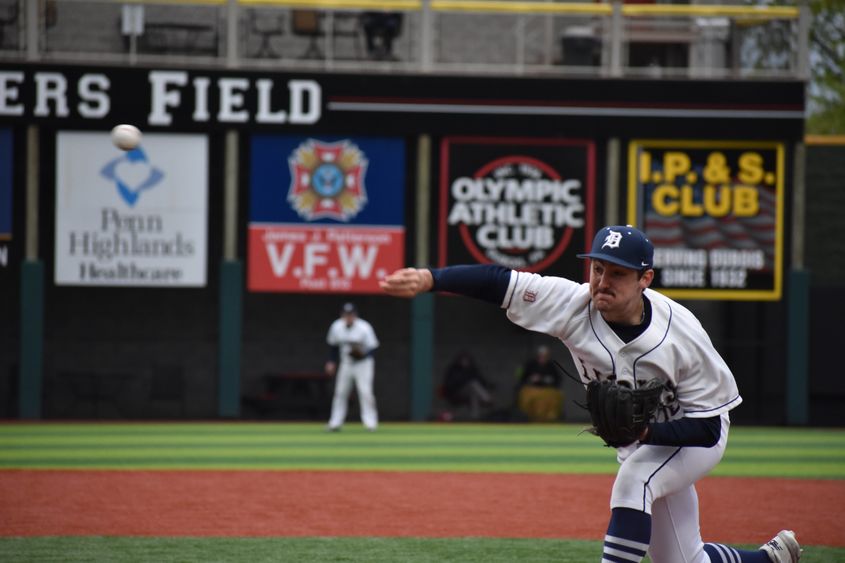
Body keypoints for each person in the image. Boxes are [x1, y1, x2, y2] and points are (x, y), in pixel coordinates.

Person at [379, 225, 800, 563]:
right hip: (644, 439)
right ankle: (771, 559)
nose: (602, 281)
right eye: (597, 268)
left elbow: (709, 429)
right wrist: (430, 278)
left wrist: (646, 434)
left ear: (644, 279)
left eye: (617, 273)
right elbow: (498, 281)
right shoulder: (572, 303)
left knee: (634, 480)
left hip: (691, 434)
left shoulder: (681, 334)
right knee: (683, 559)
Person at [324, 302, 380, 432]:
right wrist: (331, 362)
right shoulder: (336, 326)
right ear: (342, 315)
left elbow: (373, 347)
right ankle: (335, 423)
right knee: (340, 392)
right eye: (346, 314)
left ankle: (370, 423)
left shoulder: (364, 327)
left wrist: (362, 354)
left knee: (365, 392)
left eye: (351, 314)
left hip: (363, 364)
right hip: (346, 363)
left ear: (355, 315)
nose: (349, 317)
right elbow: (333, 346)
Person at [516, 345, 564, 422]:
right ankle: (529, 419)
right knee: (526, 395)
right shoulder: (530, 364)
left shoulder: (551, 366)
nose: (543, 358)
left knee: (554, 396)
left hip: (547, 390)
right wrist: (531, 379)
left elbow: (558, 379)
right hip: (531, 389)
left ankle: (548, 421)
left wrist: (548, 380)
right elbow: (521, 377)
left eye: (545, 356)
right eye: (541, 356)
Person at [441, 350, 493, 420]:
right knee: (472, 384)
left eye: (467, 360)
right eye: (463, 360)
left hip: (469, 393)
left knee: (473, 394)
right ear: (458, 360)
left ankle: (474, 418)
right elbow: (449, 384)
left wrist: (489, 385)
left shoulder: (472, 369)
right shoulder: (453, 369)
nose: (465, 362)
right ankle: (487, 398)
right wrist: (463, 380)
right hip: (456, 393)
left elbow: (481, 380)